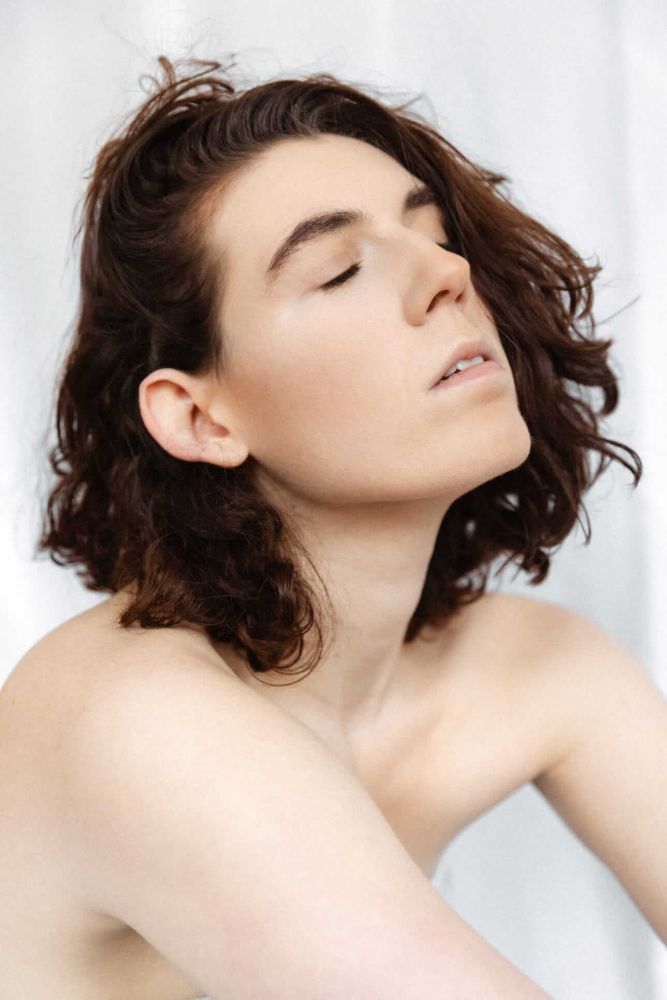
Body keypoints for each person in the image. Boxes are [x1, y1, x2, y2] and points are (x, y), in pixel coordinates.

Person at [1, 53, 664, 1000]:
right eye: (340, 269)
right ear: (200, 418)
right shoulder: (130, 716)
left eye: (435, 235)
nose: (446, 274)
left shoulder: (534, 665)